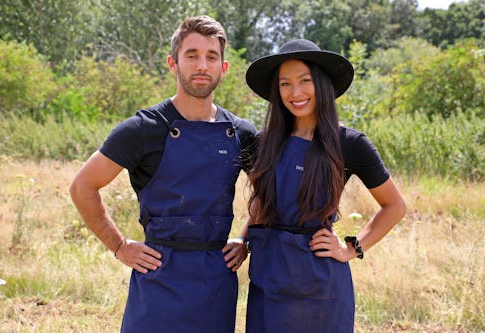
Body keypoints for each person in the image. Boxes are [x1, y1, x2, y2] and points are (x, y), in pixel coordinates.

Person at [69, 15, 256, 333]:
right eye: (192, 55)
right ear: (173, 63)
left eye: (211, 57)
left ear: (223, 68)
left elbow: (271, 192)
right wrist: (120, 246)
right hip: (159, 275)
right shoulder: (143, 129)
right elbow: (83, 186)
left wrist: (245, 239)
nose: (202, 66)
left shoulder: (241, 132)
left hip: (217, 279)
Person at [240, 39, 407, 332]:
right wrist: (242, 242)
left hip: (320, 286)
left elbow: (395, 206)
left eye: (305, 81)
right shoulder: (262, 143)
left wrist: (351, 248)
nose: (296, 92)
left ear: (322, 84)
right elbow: (260, 205)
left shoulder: (349, 143)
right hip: (269, 279)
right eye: (285, 84)